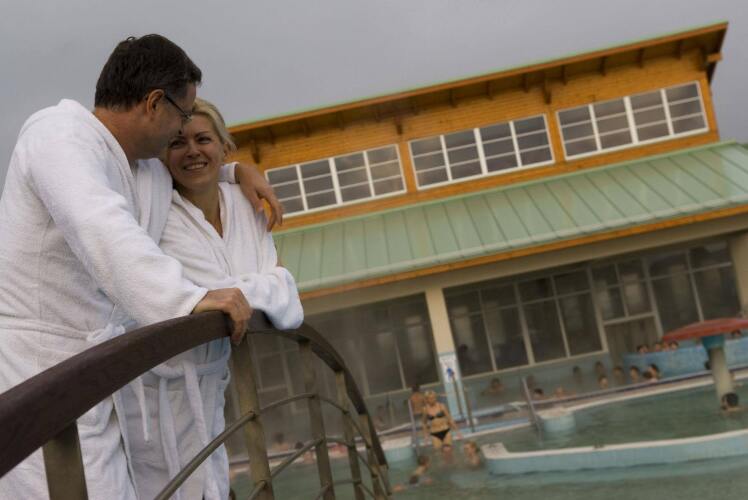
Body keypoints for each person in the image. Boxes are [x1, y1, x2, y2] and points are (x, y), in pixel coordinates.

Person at [0, 35, 280, 499]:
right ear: (154, 103)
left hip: (100, 372)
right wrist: (187, 299)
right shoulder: (57, 137)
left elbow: (191, 171)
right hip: (38, 369)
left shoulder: (142, 168)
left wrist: (237, 172)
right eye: (182, 115)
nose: (183, 128)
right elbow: (100, 225)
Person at [121, 98, 303, 500]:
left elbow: (288, 302)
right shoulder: (160, 217)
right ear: (163, 155)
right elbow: (225, 290)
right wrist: (264, 284)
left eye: (203, 139)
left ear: (224, 148)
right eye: (177, 142)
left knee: (211, 483)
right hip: (155, 390)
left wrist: (239, 172)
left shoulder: (245, 205)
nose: (192, 151)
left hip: (209, 385)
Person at [422, 391, 461, 462]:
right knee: (438, 453)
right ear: (427, 399)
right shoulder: (425, 409)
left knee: (449, 451)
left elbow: (450, 419)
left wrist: (458, 432)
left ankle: (453, 464)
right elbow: (424, 423)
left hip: (445, 431)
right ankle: (443, 466)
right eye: (430, 398)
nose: (433, 400)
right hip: (435, 433)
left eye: (434, 398)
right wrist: (426, 437)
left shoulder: (441, 406)